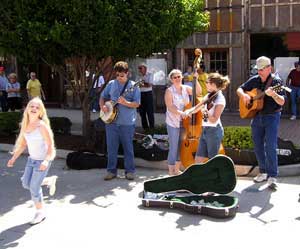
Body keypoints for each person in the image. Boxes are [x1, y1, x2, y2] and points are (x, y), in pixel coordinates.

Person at [237, 56, 285, 190]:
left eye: (262, 69)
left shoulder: (276, 82)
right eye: (257, 69)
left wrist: (274, 95)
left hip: (272, 117)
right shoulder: (255, 80)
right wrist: (244, 96)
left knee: (270, 146)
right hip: (257, 117)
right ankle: (263, 171)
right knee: (257, 146)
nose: (259, 72)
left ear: (269, 68)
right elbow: (239, 88)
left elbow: (282, 101)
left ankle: (272, 176)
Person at [7, 97, 56, 225]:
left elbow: (50, 146)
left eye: (37, 107)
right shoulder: (25, 125)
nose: (34, 109)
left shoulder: (42, 126)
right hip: (31, 160)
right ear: (27, 109)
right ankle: (47, 181)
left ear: (41, 112)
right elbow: (23, 145)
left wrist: (46, 161)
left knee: (34, 187)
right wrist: (13, 158)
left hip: (42, 161)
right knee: (25, 183)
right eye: (31, 106)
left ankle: (40, 212)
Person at [100, 61, 140, 180]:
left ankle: (130, 171)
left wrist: (126, 103)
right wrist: (102, 106)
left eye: (121, 75)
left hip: (127, 123)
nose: (119, 78)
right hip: (111, 122)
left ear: (127, 73)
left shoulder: (134, 86)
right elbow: (102, 96)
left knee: (128, 148)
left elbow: (137, 103)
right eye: (117, 75)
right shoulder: (111, 84)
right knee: (111, 148)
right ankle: (111, 171)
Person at [164, 69, 201, 176]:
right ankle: (171, 171)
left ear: (182, 77)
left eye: (179, 76)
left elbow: (198, 92)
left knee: (181, 147)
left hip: (185, 122)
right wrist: (182, 113)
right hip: (173, 122)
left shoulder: (185, 88)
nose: (177, 79)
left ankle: (177, 169)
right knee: (173, 147)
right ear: (171, 79)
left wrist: (196, 79)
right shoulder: (169, 91)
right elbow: (170, 107)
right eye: (175, 77)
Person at [187, 73, 230, 163]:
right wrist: (188, 112)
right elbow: (197, 107)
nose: (205, 84)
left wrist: (205, 111)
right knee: (198, 160)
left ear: (213, 84)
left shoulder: (220, 99)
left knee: (212, 161)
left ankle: (215, 177)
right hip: (205, 129)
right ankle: (198, 177)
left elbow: (214, 119)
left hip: (214, 131)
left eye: (207, 82)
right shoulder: (208, 96)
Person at [137, 63, 155, 130]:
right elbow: (137, 85)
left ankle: (152, 128)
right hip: (140, 94)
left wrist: (142, 83)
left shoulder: (150, 74)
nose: (139, 70)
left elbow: (149, 85)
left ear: (145, 68)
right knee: (142, 112)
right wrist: (144, 83)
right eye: (139, 68)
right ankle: (145, 128)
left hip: (148, 94)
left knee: (150, 111)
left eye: (141, 68)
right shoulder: (138, 75)